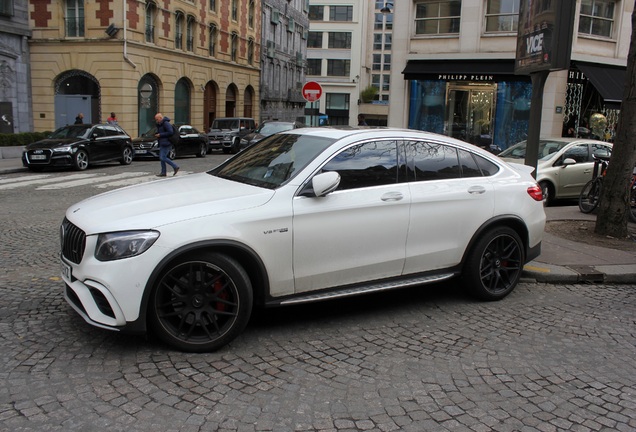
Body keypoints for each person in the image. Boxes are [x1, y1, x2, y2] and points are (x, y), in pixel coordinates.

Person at [154, 113, 180, 177]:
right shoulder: (160, 124)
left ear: (160, 118)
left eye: (157, 119)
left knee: (163, 157)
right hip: (163, 142)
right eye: (156, 119)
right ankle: (163, 172)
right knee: (162, 158)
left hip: (167, 143)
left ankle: (175, 166)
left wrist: (160, 135)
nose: (156, 121)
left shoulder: (166, 123)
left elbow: (170, 132)